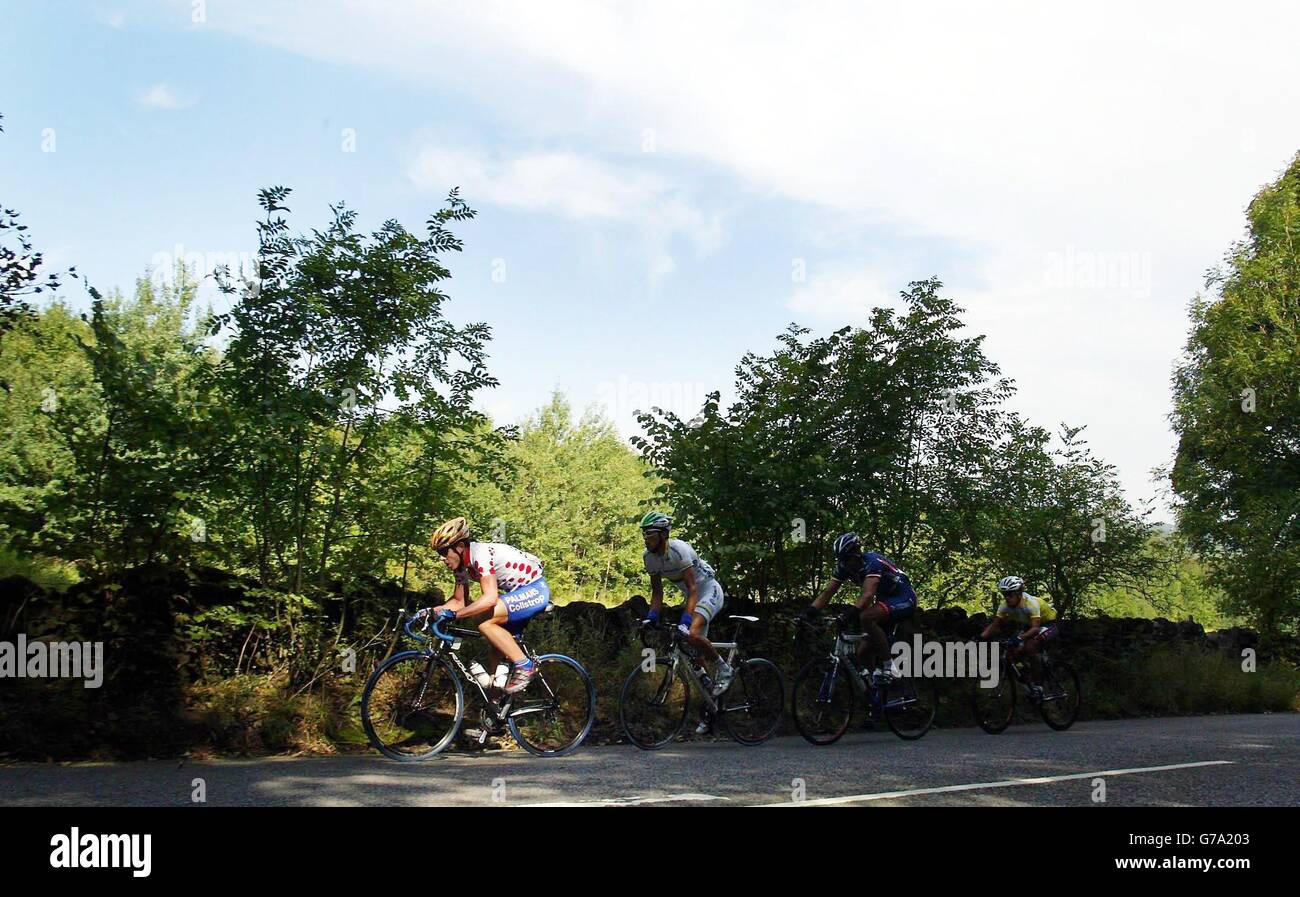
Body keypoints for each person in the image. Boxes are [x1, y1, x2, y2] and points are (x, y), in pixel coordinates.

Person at [427, 517, 550, 694]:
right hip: (517, 593)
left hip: (535, 589)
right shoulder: (461, 566)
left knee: (484, 622)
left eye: (444, 552)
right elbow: (458, 602)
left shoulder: (479, 554)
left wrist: (455, 615)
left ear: (460, 546)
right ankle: (498, 709)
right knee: (495, 675)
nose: (442, 558)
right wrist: (429, 611)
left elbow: (490, 598)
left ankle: (526, 666)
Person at [639, 511, 733, 702]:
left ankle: (724, 669)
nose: (646, 538)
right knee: (691, 648)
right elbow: (657, 593)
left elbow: (693, 588)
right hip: (693, 596)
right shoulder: (649, 558)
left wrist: (686, 620)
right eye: (644, 534)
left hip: (708, 590)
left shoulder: (679, 550)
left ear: (663, 534)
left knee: (691, 633)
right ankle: (712, 705)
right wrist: (651, 616)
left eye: (650, 533)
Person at [801, 532, 917, 685]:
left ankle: (890, 667)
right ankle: (876, 692)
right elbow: (828, 592)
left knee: (866, 617)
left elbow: (868, 595)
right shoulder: (844, 566)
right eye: (841, 560)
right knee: (862, 654)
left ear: (856, 554)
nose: (844, 563)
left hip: (904, 598)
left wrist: (849, 613)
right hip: (885, 601)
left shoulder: (872, 562)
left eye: (847, 559)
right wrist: (810, 612)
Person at [980, 575, 1058, 695]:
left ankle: (1038, 684)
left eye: (1010, 594)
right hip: (1029, 625)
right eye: (1004, 594)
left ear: (1019, 593)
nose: (1006, 597)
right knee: (1013, 653)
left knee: (1030, 646)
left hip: (1047, 624)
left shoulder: (1031, 604)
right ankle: (1027, 678)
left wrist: (1019, 638)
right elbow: (994, 625)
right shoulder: (1004, 606)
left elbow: (1036, 629)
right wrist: (980, 638)